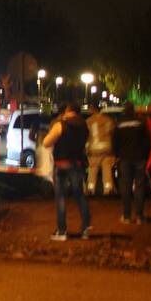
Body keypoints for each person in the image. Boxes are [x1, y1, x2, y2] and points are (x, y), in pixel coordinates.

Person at [42, 103, 91, 241]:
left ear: (68, 111)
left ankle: (62, 231)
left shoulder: (61, 124)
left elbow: (46, 142)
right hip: (77, 163)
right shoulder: (84, 126)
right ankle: (86, 229)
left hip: (61, 164)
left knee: (61, 197)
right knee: (80, 195)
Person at [113, 102, 150, 224]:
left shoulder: (119, 124)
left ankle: (126, 215)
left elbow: (115, 141)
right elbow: (147, 141)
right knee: (139, 186)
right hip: (139, 157)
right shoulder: (140, 123)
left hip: (124, 158)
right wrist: (145, 154)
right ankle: (139, 216)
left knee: (126, 186)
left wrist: (117, 155)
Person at [85, 104, 116, 196]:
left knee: (92, 170)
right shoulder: (109, 120)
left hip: (94, 149)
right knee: (107, 170)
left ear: (92, 110)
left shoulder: (88, 121)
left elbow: (86, 136)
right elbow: (113, 134)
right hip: (107, 148)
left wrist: (86, 149)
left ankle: (91, 189)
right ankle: (108, 189)